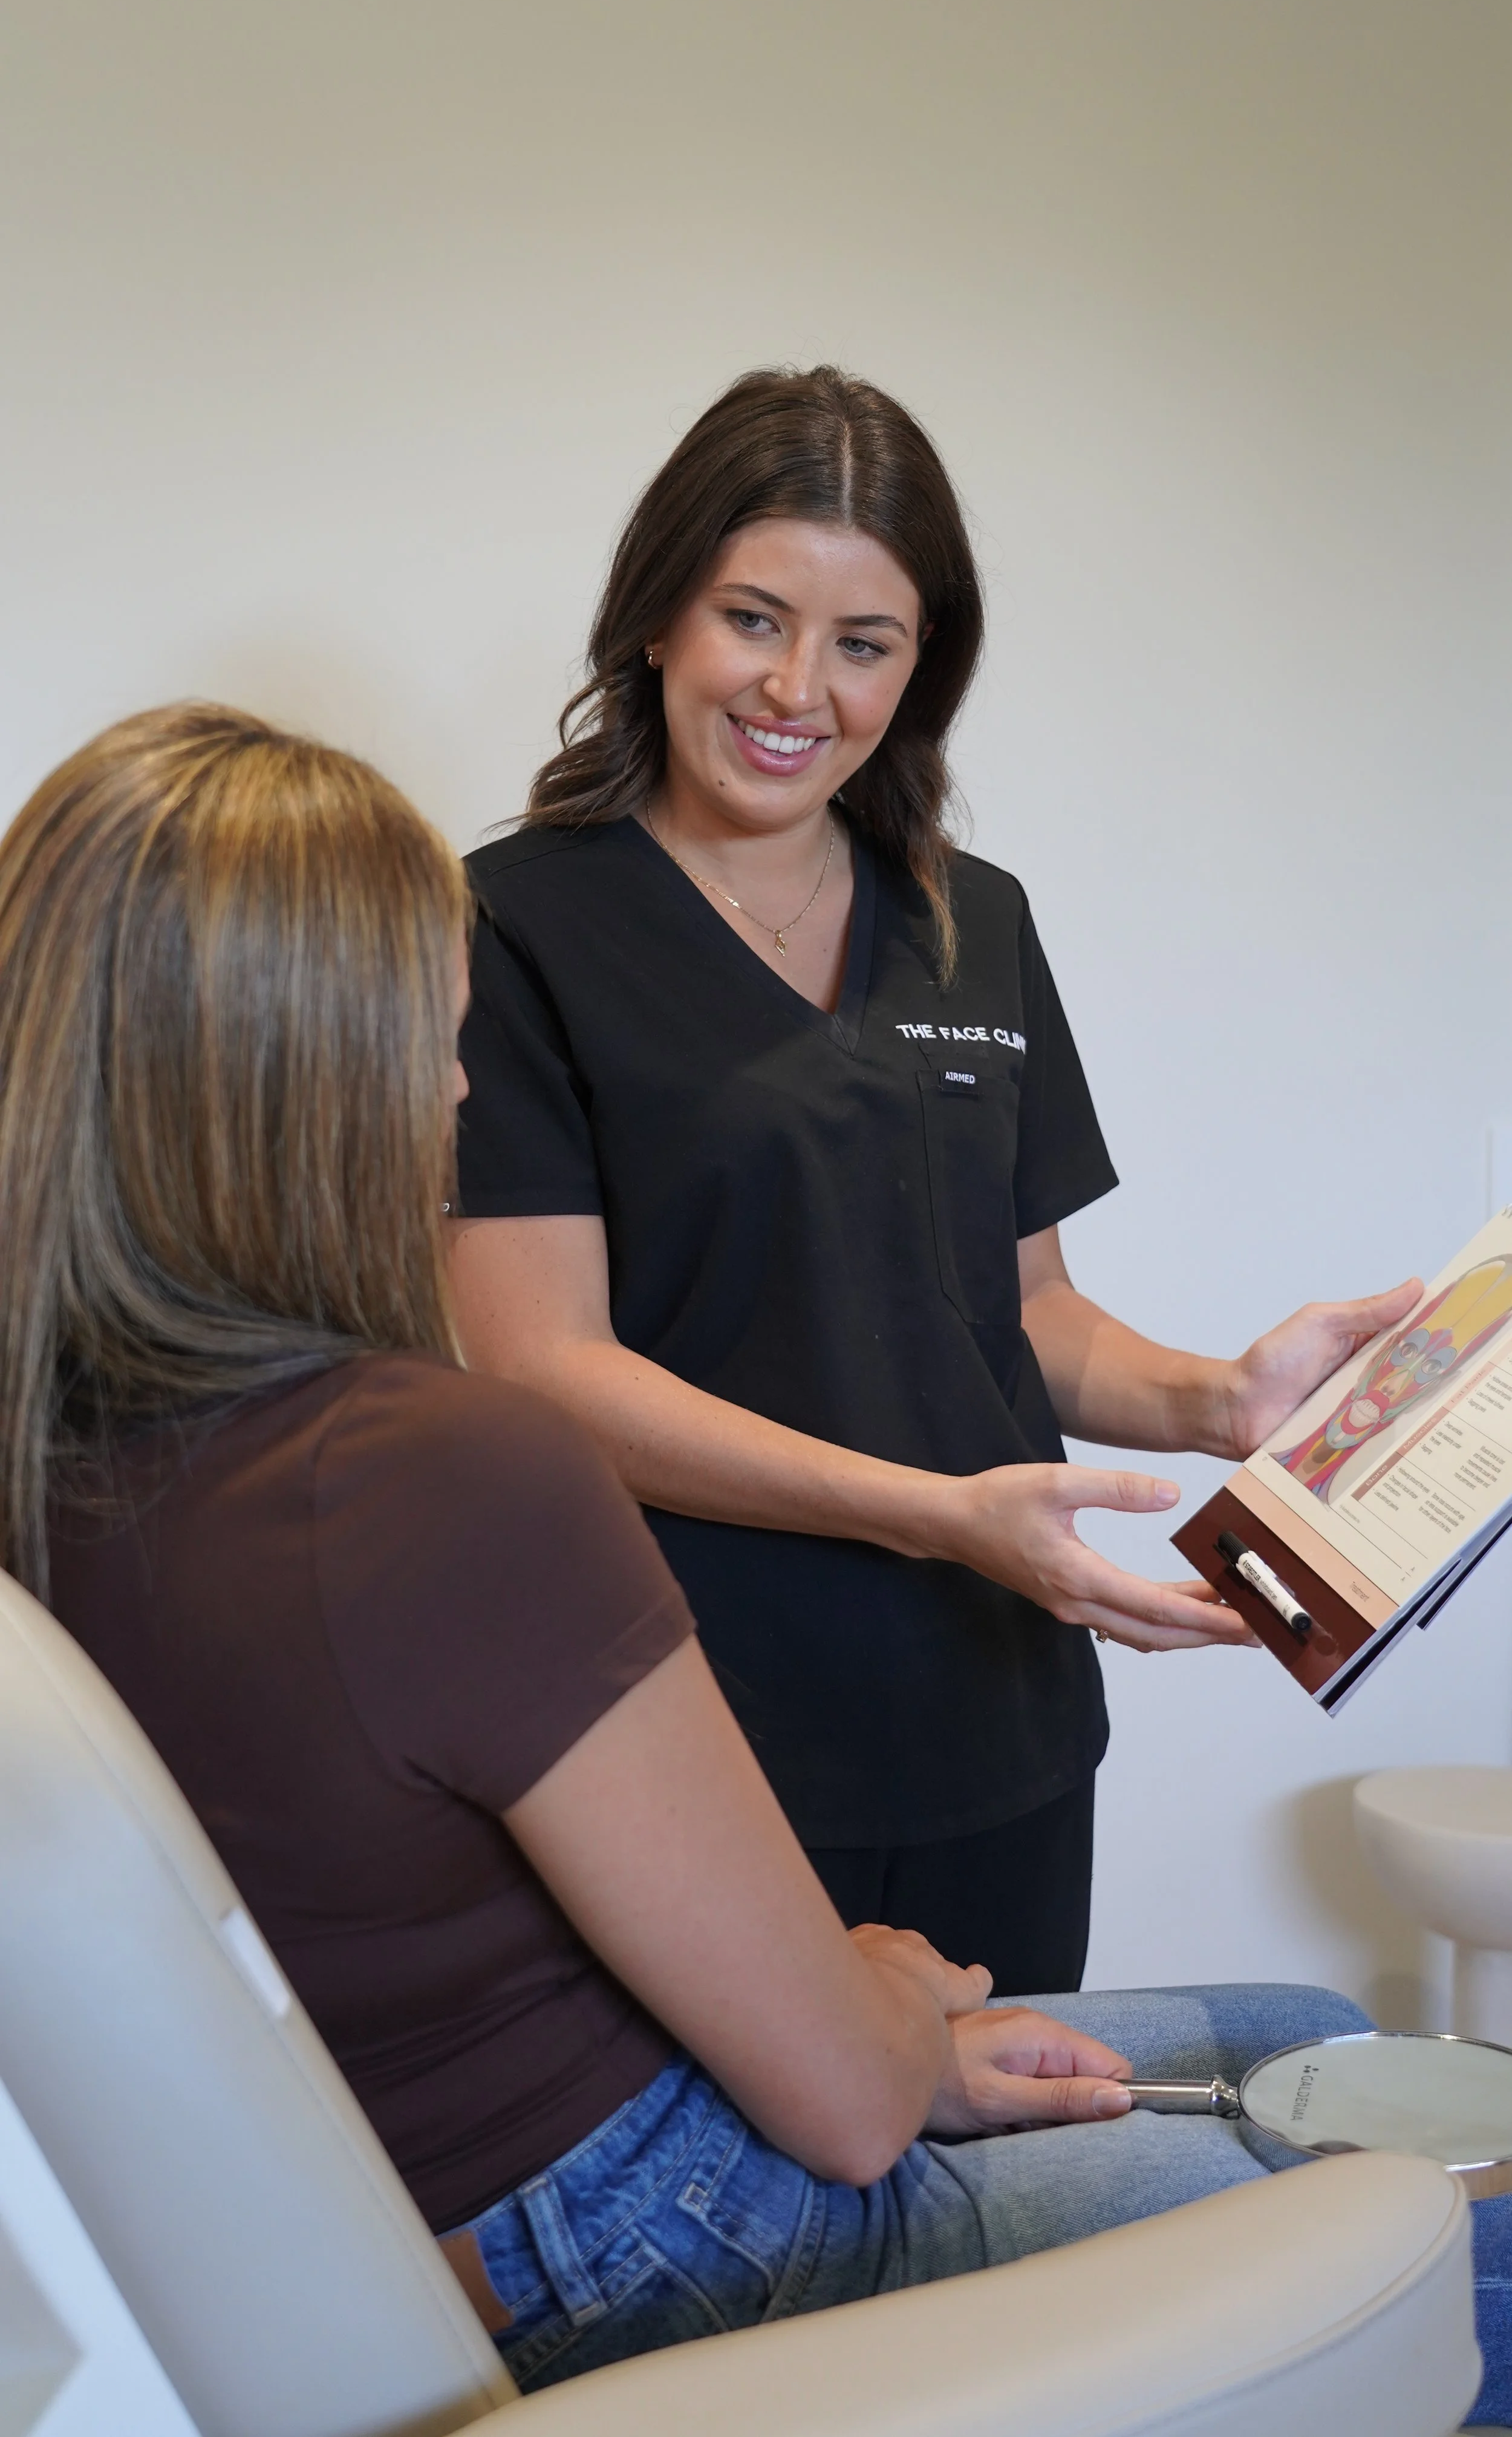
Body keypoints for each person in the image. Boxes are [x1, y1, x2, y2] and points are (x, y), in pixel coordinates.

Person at [10, 704, 1508, 2417]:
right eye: (427, 1046)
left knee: (1298, 2035)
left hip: (509, 2171)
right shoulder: (443, 1477)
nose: (452, 1096)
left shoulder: (71, 1473)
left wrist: (1205, 1399)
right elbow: (849, 2109)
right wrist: (875, 1999)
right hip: (638, 2225)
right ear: (299, 1084)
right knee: (1442, 2222)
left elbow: (1025, 1303)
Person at [449, 365, 1418, 1992]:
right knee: (774, 2230)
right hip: (687, 1724)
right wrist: (936, 1519)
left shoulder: (975, 917)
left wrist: (1216, 1402)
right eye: (752, 618)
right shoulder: (512, 926)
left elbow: (1018, 1309)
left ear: (921, 666)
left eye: (862, 643)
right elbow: (547, 1372)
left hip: (998, 1711)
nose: (796, 688)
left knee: (1023, 2207)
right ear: (657, 620)